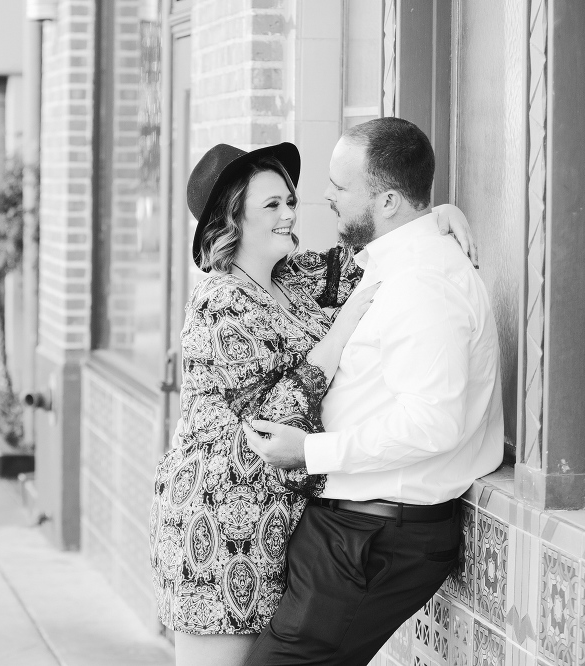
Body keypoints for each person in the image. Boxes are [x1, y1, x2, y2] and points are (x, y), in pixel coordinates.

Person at [149, 140, 476, 666]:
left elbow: (379, 249)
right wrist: (341, 330)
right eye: (271, 205)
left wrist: (435, 215)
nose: (289, 214)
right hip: (218, 518)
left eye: (289, 200)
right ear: (231, 221)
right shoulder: (218, 301)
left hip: (279, 519)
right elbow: (268, 422)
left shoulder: (295, 278)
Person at [243, 118, 505, 666]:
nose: (324, 196)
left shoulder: (424, 286)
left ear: (386, 201)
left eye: (340, 186)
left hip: (373, 536)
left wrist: (309, 452)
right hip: (353, 525)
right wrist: (435, 214)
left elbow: (432, 422)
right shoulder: (390, 265)